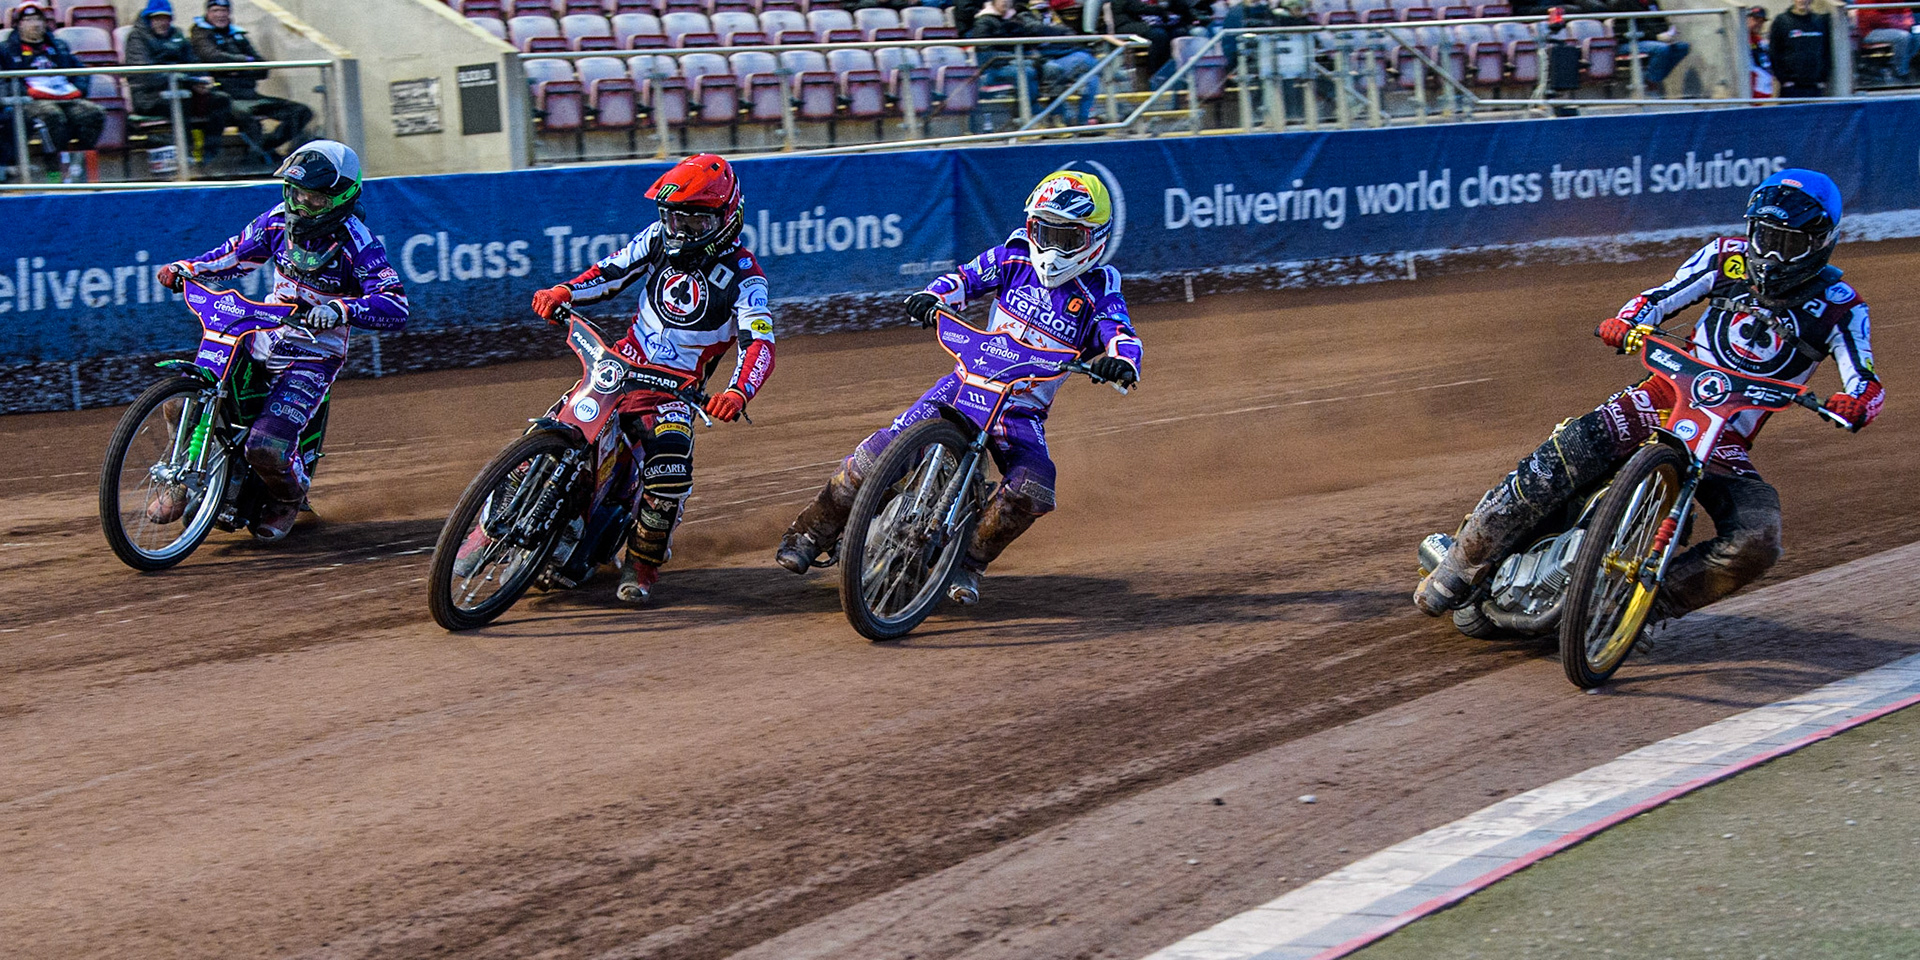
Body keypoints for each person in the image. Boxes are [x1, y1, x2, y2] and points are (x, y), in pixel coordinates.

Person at [1415, 170, 1882, 625]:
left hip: (1724, 439)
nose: (1772, 255)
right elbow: (1657, 298)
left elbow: (1866, 378)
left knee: (1758, 539)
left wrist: (1855, 401)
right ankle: (1461, 562)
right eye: (1764, 237)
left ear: (1821, 242)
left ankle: (1636, 613)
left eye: (1789, 243)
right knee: (1561, 457)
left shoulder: (1842, 306)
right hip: (1662, 395)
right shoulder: (1725, 257)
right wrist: (1626, 322)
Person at [776, 170, 1143, 605]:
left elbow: (1120, 331)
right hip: (964, 383)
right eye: (1044, 231)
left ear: (1093, 239)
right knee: (876, 454)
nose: (1051, 247)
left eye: (1066, 238)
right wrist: (933, 297)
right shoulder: (1014, 257)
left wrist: (1121, 361)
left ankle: (969, 564)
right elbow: (965, 280)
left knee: (1034, 484)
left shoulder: (1100, 289)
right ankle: (808, 534)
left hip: (1019, 412)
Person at [522, 154, 775, 605]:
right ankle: (510, 502)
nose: (680, 231)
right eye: (674, 219)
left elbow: (760, 344)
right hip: (619, 365)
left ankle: (641, 566)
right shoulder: (658, 238)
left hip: (674, 391)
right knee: (556, 428)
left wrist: (738, 391)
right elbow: (612, 272)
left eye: (694, 224)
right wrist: (565, 290)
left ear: (726, 218)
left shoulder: (746, 278)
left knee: (670, 470)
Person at [151, 141, 410, 540]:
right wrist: (188, 267)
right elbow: (236, 255)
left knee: (266, 448)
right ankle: (179, 482)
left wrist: (342, 310)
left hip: (313, 354)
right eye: (296, 192)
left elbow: (396, 305)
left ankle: (287, 497)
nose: (302, 203)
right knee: (179, 402)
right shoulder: (276, 221)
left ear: (341, 197)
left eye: (314, 197)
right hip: (260, 333)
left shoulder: (359, 243)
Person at [125, 0, 263, 161]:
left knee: (220, 100)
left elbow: (194, 62)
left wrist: (203, 79)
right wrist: (188, 81)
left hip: (183, 89)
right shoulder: (137, 37)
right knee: (182, 101)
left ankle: (210, 155)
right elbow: (145, 74)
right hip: (149, 96)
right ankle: (187, 155)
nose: (162, 23)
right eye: (157, 18)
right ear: (149, 19)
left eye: (166, 18)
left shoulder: (177, 34)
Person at [191, 0, 313, 156]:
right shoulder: (200, 34)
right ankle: (263, 156)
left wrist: (237, 69)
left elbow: (262, 69)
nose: (220, 15)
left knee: (301, 112)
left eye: (224, 10)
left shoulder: (237, 35)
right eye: (215, 10)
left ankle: (267, 147)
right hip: (223, 99)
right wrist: (245, 62)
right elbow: (212, 57)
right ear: (208, 13)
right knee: (245, 117)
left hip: (251, 96)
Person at [0, 2, 106, 169]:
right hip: (30, 100)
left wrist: (79, 90)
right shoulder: (6, 50)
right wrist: (26, 93)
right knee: (52, 116)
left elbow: (80, 71)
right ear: (19, 24)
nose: (34, 24)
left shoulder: (59, 46)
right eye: (28, 20)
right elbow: (5, 81)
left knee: (93, 113)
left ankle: (80, 167)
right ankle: (54, 172)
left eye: (38, 19)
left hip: (65, 95)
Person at [1608, 0, 1690, 93]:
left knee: (1683, 47)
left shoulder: (1652, 3)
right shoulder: (1623, 3)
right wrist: (1656, 37)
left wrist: (1668, 34)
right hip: (1628, 43)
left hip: (1653, 42)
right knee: (1661, 49)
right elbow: (1622, 32)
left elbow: (1662, 22)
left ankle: (1653, 77)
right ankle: (1651, 82)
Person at [1768, 0, 1831, 97]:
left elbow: (1827, 51)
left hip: (1814, 86)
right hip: (1791, 86)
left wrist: (1822, 79)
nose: (1802, 1)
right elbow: (1774, 52)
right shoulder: (1782, 21)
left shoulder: (1819, 21)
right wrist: (1783, 79)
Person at [1855, 0, 1917, 84]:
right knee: (1903, 37)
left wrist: (1906, 24)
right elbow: (1870, 17)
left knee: (1917, 35)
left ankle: (1899, 66)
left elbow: (1906, 12)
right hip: (1871, 31)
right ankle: (1899, 72)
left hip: (1897, 27)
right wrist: (1895, 24)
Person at [1747, 6, 1775, 98]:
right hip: (1752, 95)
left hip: (1765, 94)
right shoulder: (1742, 40)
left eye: (1761, 21)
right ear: (1748, 19)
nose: (1758, 24)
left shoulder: (1759, 40)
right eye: (1755, 20)